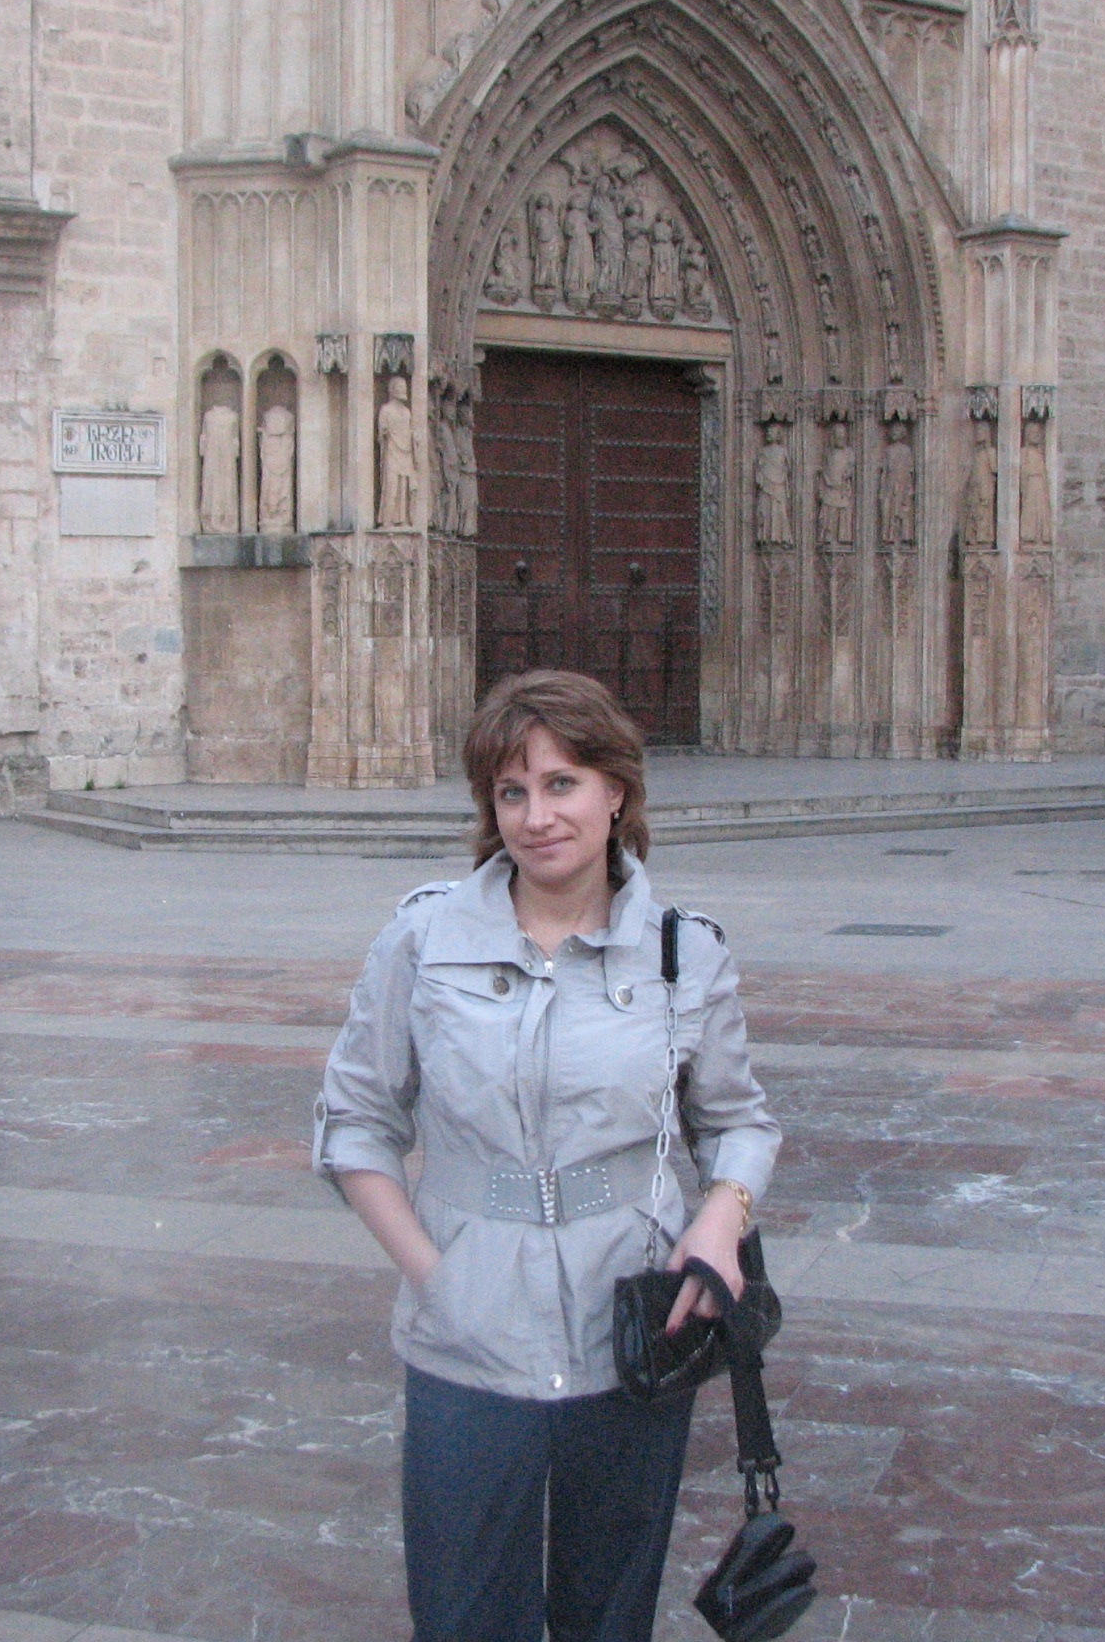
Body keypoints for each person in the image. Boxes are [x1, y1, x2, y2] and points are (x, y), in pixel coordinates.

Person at [316, 670, 780, 1642]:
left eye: (562, 783)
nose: (537, 816)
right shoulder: (423, 941)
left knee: (608, 1614)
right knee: (461, 1614)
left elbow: (738, 1121)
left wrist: (719, 1218)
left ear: (617, 792)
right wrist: (434, 1275)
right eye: (512, 791)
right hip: (465, 1334)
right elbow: (355, 1120)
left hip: (632, 1328)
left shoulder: (682, 953)